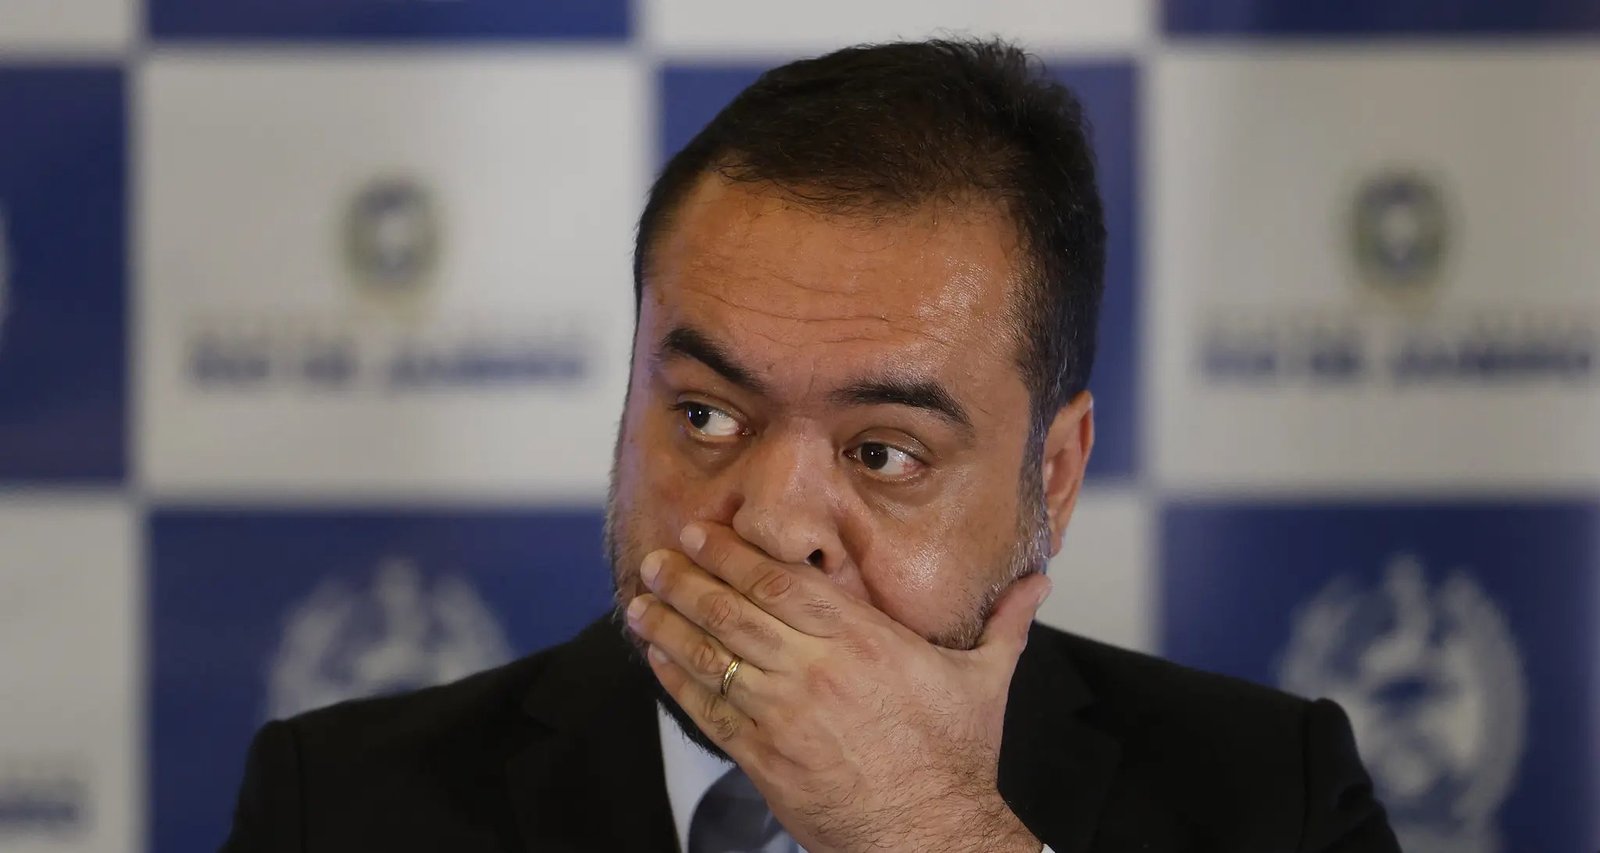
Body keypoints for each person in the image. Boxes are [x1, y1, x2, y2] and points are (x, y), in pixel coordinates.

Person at [221, 39, 1399, 853]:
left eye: (883, 453)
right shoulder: (345, 807)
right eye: (704, 416)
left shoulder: (1268, 795)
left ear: (1052, 475)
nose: (774, 522)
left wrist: (932, 829)